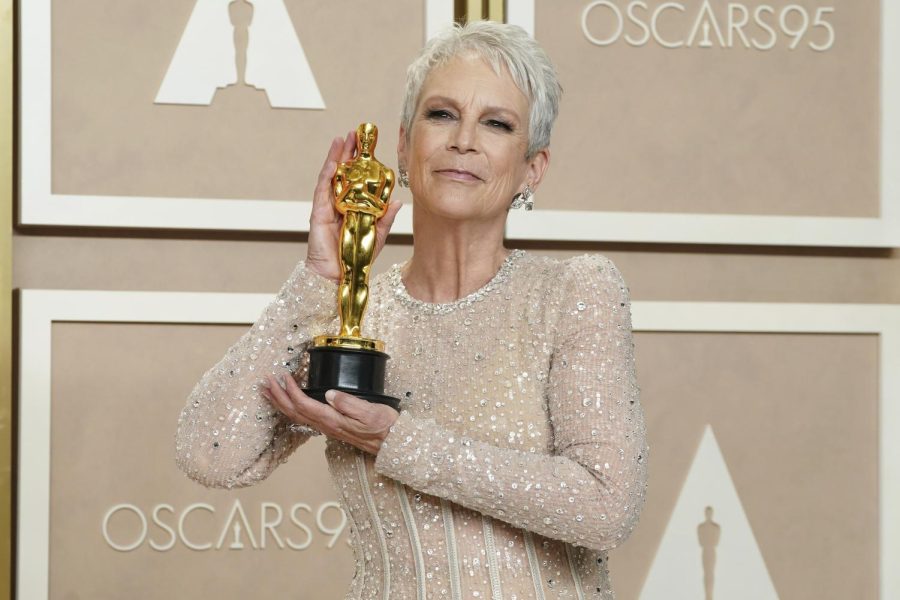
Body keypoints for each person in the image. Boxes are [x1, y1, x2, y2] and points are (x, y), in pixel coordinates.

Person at [176, 20, 648, 599]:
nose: (463, 141)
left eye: (496, 124)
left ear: (532, 168)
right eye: (442, 115)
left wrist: (396, 441)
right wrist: (320, 278)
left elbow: (606, 505)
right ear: (403, 146)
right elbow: (210, 454)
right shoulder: (353, 316)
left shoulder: (573, 292)